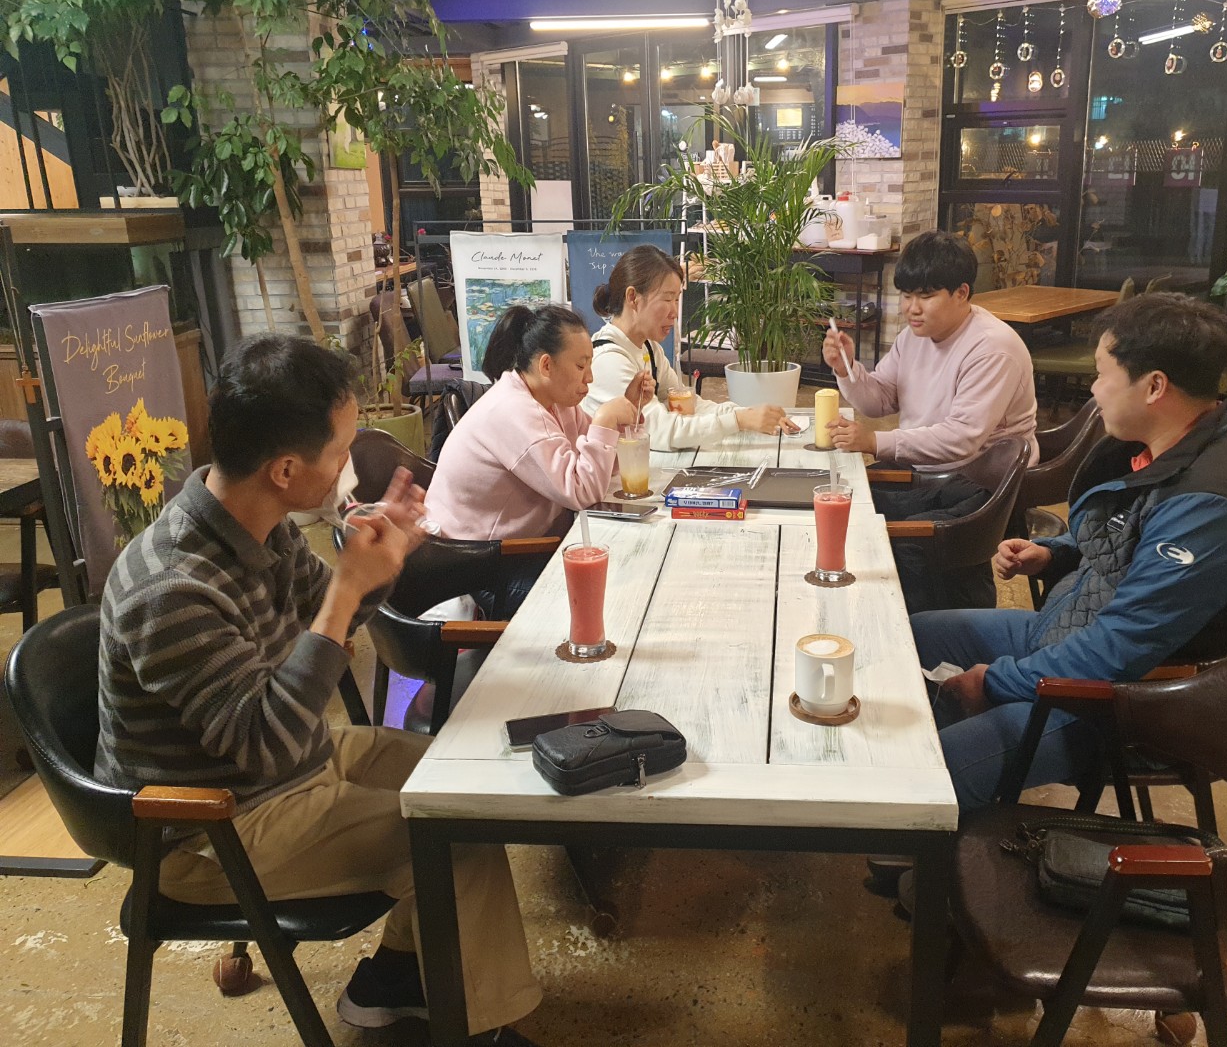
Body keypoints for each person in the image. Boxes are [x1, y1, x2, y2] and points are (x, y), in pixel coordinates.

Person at [95, 335, 545, 1046]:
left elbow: (327, 617)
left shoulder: (255, 522)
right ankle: (477, 1028)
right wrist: (343, 593)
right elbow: (265, 741)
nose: (347, 468)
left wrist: (379, 565)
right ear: (284, 469)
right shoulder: (172, 589)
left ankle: (397, 977)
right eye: (339, 453)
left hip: (291, 764)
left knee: (466, 782)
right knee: (451, 833)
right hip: (214, 827)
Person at [909, 293, 1227, 812]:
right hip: (1070, 630)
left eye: (1101, 373)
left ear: (1154, 386)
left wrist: (995, 681)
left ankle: (926, 833)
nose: (1093, 389)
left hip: (1131, 703)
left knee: (930, 775)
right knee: (909, 634)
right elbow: (1129, 537)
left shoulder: (1209, 506)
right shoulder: (1166, 445)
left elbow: (1117, 651)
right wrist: (1054, 553)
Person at [425, 303, 642, 609]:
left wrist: (624, 416)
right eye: (580, 366)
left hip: (517, 550)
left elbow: (605, 467)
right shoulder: (514, 410)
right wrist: (605, 420)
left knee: (624, 568)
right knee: (606, 591)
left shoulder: (555, 402)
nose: (590, 378)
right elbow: (581, 492)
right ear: (546, 365)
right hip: (474, 568)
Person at [821, 230, 1038, 471]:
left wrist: (874, 441)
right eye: (906, 296)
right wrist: (846, 367)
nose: (912, 308)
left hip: (981, 478)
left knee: (851, 490)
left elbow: (961, 438)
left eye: (926, 297)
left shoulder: (993, 348)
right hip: (922, 465)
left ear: (961, 293)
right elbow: (879, 401)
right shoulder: (912, 337)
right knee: (836, 484)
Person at [582, 243, 798, 446]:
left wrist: (747, 413)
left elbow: (686, 404)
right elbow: (660, 431)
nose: (675, 312)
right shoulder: (608, 361)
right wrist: (738, 420)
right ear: (632, 297)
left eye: (677, 299)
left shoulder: (649, 347)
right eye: (667, 299)